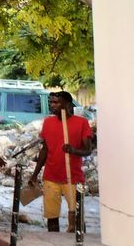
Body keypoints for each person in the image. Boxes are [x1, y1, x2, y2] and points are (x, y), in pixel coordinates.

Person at [31, 90, 94, 233]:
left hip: (73, 177)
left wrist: (74, 151)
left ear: (67, 104)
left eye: (56, 102)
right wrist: (35, 174)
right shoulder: (48, 122)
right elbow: (45, 150)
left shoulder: (82, 123)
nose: (53, 106)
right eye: (51, 102)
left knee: (77, 217)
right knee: (52, 217)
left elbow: (88, 150)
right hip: (51, 176)